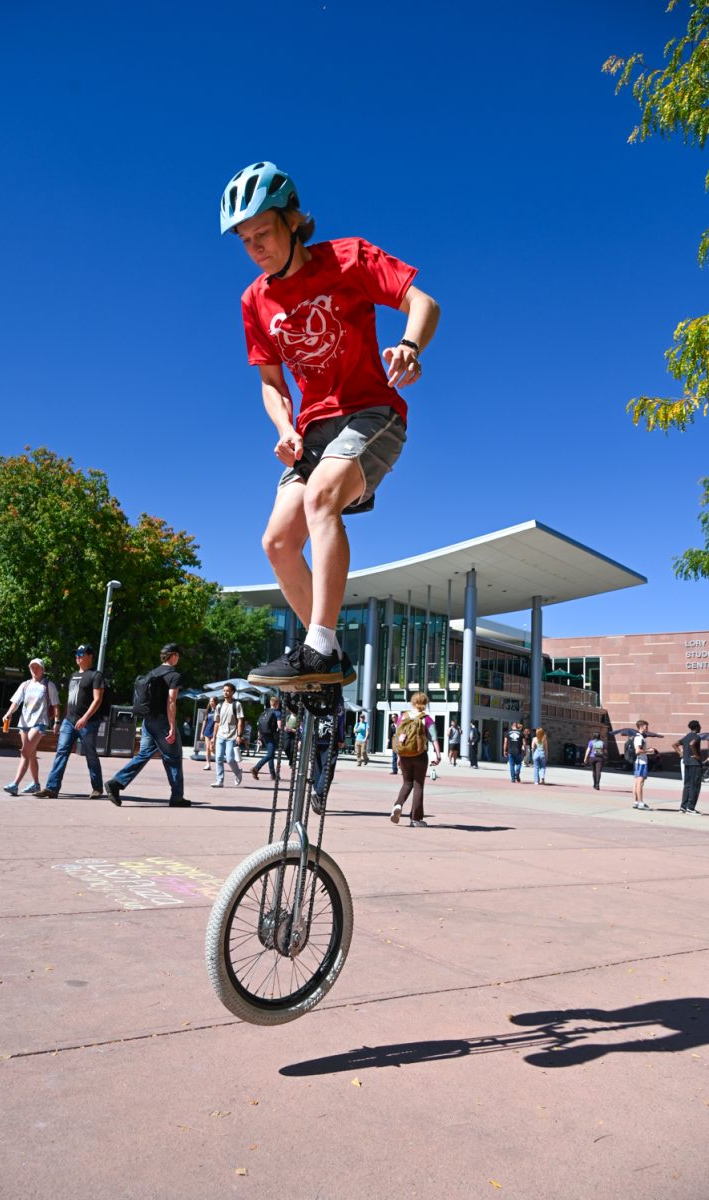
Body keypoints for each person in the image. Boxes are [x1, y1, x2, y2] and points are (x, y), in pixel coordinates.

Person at [219, 161, 440, 689]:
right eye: (245, 240)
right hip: (312, 430)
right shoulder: (255, 300)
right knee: (276, 542)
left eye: (263, 233)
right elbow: (271, 382)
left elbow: (422, 301)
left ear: (292, 220)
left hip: (372, 413)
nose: (256, 248)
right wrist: (283, 426)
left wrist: (409, 345)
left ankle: (317, 645)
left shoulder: (348, 258)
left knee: (321, 498)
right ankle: (331, 654)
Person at [106, 644, 187, 808]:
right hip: (162, 721)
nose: (178, 658)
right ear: (172, 656)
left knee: (143, 754)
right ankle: (177, 797)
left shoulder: (152, 673)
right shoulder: (174, 676)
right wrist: (172, 726)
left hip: (147, 721)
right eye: (177, 655)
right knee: (174, 757)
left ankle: (116, 782)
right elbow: (171, 701)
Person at [39, 644, 105, 798]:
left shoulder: (96, 676)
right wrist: (63, 719)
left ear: (90, 656)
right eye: (77, 654)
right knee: (61, 752)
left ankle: (97, 788)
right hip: (69, 721)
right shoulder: (73, 675)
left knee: (90, 754)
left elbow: (97, 700)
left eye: (82, 654)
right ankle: (52, 788)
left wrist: (85, 718)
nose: (78, 657)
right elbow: (70, 700)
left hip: (88, 722)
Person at [1, 658, 60, 796]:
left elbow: (56, 704)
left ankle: (15, 784)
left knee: (25, 752)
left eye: (37, 667)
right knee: (32, 754)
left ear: (43, 669)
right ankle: (36, 784)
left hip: (40, 723)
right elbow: (16, 702)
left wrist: (57, 721)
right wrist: (8, 713)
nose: (34, 669)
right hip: (24, 723)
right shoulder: (25, 685)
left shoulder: (48, 685)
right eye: (32, 667)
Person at [390, 692, 441, 828]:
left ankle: (398, 804)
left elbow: (399, 737)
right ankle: (416, 819)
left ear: (412, 702)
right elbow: (434, 738)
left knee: (407, 783)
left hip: (405, 755)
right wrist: (438, 755)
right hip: (420, 755)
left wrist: (399, 757)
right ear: (425, 704)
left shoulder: (403, 716)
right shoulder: (427, 719)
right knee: (418, 785)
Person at [311, 697, 346, 813]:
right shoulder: (337, 698)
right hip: (330, 737)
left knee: (317, 768)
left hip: (315, 736)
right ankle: (318, 794)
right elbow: (340, 719)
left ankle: (318, 798)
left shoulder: (316, 695)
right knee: (328, 769)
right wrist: (341, 738)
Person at [211, 683, 245, 788]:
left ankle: (238, 773)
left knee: (230, 759)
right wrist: (213, 737)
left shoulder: (237, 705)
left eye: (228, 691)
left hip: (232, 736)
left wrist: (239, 735)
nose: (225, 693)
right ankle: (219, 780)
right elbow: (217, 722)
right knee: (218, 758)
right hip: (220, 735)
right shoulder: (219, 706)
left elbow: (240, 721)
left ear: (232, 692)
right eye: (224, 690)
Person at [673, 720, 704, 814]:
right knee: (695, 786)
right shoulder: (697, 737)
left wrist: (680, 754)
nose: (701, 728)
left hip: (686, 763)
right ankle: (690, 808)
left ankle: (683, 807)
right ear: (697, 727)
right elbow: (692, 744)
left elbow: (674, 745)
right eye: (700, 726)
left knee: (687, 785)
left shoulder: (687, 736)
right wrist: (697, 755)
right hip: (695, 764)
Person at [251, 696, 282, 782]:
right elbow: (279, 726)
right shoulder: (277, 713)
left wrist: (259, 738)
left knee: (271, 754)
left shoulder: (265, 712)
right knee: (270, 754)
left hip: (264, 735)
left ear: (270, 703)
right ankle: (256, 768)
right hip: (271, 735)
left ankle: (273, 775)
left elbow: (260, 725)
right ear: (277, 704)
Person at [631, 718, 653, 811]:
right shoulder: (639, 737)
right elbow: (638, 751)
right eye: (646, 727)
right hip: (641, 762)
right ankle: (640, 802)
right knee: (640, 783)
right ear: (642, 727)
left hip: (639, 762)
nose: (647, 728)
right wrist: (648, 751)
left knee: (636, 782)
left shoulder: (638, 737)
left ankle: (636, 802)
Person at [200, 696, 218, 770]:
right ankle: (208, 764)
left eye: (213, 701)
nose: (211, 703)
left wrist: (215, 734)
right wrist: (202, 732)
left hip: (214, 732)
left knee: (212, 748)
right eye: (210, 701)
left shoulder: (218, 711)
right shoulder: (208, 711)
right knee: (207, 748)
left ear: (216, 702)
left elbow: (218, 723)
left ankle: (219, 759)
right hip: (207, 731)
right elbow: (204, 722)